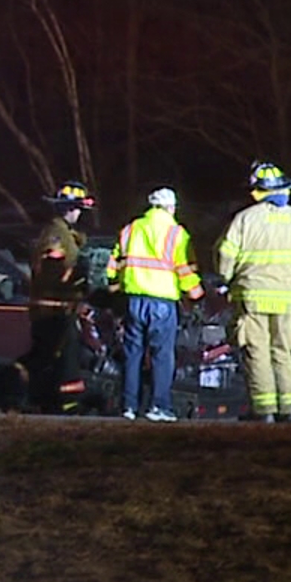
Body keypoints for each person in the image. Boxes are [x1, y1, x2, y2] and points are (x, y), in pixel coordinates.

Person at [214, 161, 291, 423]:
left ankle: (264, 410)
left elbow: (225, 255)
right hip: (286, 296)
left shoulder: (246, 218)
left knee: (256, 350)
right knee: (283, 352)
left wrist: (227, 278)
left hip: (252, 296)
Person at [106, 186, 204, 421]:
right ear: (170, 208)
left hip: (134, 300)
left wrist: (114, 287)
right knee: (162, 356)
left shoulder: (130, 229)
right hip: (162, 302)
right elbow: (183, 267)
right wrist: (195, 293)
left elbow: (113, 265)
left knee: (133, 354)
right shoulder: (176, 233)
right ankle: (159, 406)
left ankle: (129, 406)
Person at [23, 180, 96, 414]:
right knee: (66, 362)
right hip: (53, 311)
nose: (78, 214)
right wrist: (77, 275)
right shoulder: (56, 236)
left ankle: (48, 403)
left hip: (59, 310)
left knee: (50, 361)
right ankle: (68, 407)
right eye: (76, 209)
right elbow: (52, 270)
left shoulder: (66, 234)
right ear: (67, 208)